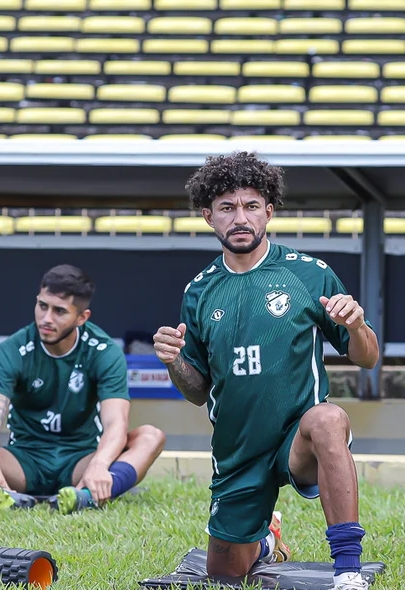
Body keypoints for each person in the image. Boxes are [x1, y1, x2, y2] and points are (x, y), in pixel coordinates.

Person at [152, 151, 380, 590]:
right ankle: (264, 542)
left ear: (268, 211)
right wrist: (174, 361)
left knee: (329, 418)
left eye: (251, 206)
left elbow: (367, 357)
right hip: (238, 450)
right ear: (208, 216)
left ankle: (348, 569)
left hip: (299, 437)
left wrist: (355, 325)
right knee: (225, 573)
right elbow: (198, 391)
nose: (241, 218)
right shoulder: (199, 291)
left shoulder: (309, 275)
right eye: (227, 207)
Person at [0, 264, 166, 515]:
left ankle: (87, 494)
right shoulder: (12, 350)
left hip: (80, 462)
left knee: (151, 436)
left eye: (59, 311)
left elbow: (116, 424)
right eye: (42, 306)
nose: (46, 319)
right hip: (22, 461)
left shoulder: (104, 351)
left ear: (82, 317)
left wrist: (99, 464)